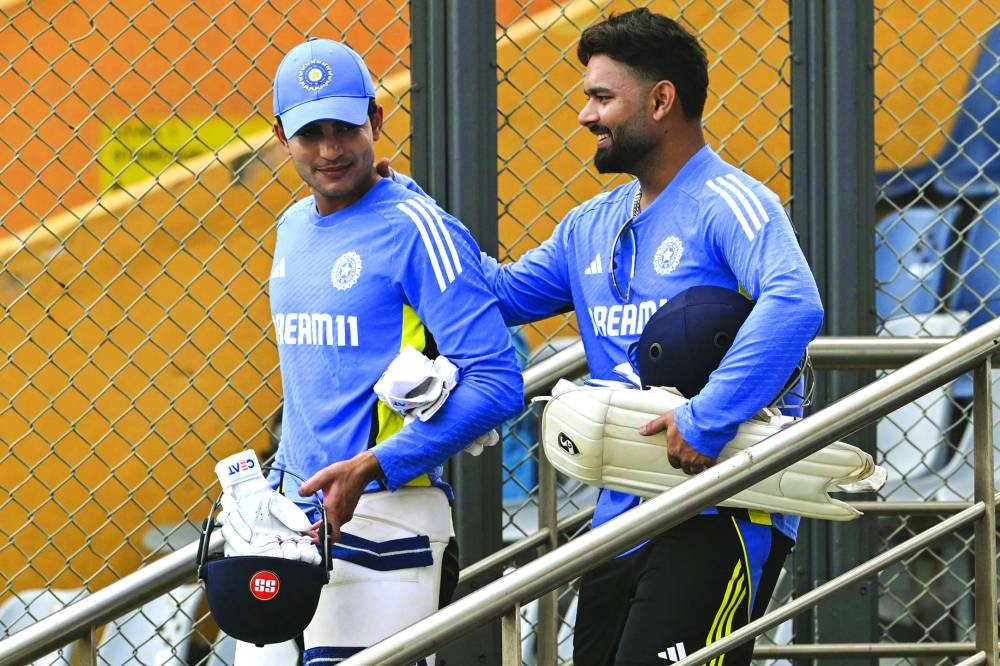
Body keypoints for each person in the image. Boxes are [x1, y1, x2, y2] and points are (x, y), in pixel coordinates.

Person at [479, 9, 824, 666]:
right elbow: (495, 294)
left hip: (718, 510)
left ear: (662, 100)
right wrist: (407, 221)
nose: (585, 115)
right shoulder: (590, 224)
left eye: (602, 97)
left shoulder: (730, 201)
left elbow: (795, 299)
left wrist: (708, 418)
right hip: (620, 519)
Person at [223, 37, 524, 665]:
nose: (331, 150)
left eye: (345, 128)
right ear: (281, 136)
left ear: (377, 120)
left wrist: (371, 466)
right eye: (311, 133)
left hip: (390, 514)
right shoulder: (291, 228)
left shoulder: (418, 227)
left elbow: (498, 382)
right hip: (290, 517)